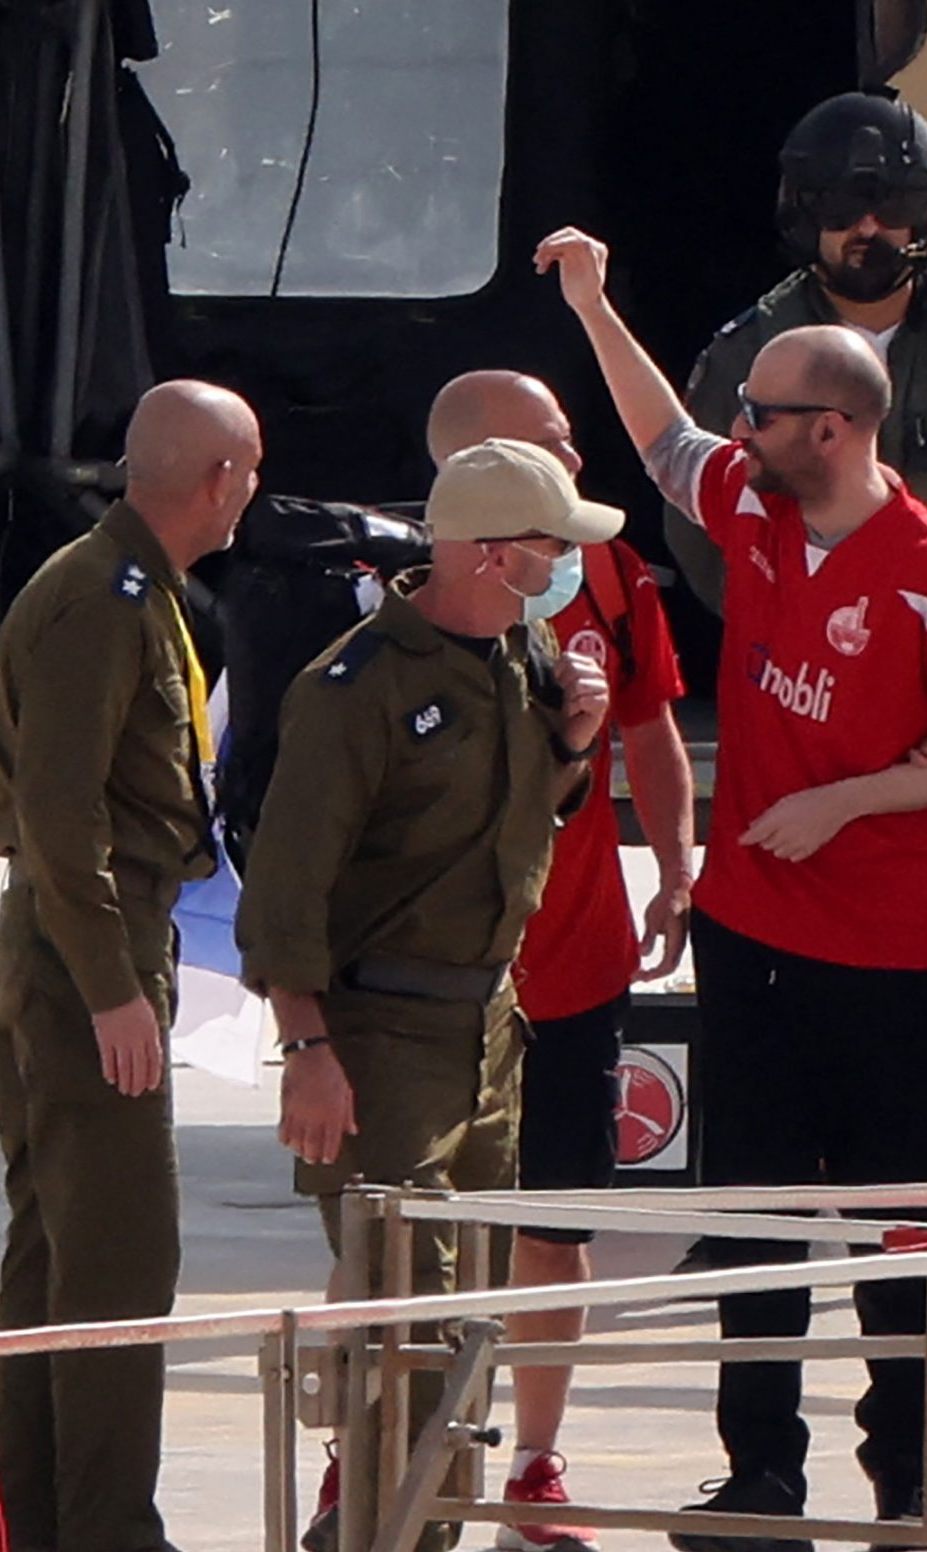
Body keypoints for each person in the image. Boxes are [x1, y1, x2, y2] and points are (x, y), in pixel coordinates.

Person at [535, 225, 927, 1547]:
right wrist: (593, 301)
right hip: (755, 935)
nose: (737, 428)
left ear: (834, 429)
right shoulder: (752, 508)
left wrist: (852, 795)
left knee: (888, 1225)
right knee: (750, 1220)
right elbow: (658, 442)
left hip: (890, 952)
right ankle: (762, 1473)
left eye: (762, 413)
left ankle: (908, 1471)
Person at [668, 88, 927, 1215]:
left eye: (892, 205)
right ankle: (762, 1201)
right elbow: (697, 500)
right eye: (847, 208)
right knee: (776, 955)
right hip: (810, 694)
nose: (871, 230)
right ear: (806, 216)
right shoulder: (759, 347)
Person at [234, 438, 619, 1552]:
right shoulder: (358, 689)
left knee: (464, 1323)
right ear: (493, 554)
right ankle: (376, 1530)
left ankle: (408, 1521)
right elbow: (287, 887)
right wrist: (306, 1043)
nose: (564, 568)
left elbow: (498, 827)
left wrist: (574, 749)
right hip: (380, 1036)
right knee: (410, 1315)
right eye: (549, 548)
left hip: (485, 1028)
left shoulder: (514, 655)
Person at [425, 370, 695, 1552]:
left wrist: (673, 867)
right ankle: (382, 1450)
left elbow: (654, 731)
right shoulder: (406, 603)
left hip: (573, 959)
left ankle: (535, 1464)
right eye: (547, 445)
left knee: (555, 1208)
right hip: (439, 974)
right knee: (420, 1221)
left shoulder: (618, 580)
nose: (574, 457)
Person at [0, 379, 262, 1552]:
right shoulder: (100, 602)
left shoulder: (140, 592)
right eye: (248, 469)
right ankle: (105, 1529)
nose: (251, 491)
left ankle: (49, 1516)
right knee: (114, 1262)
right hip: (82, 957)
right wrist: (111, 986)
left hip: (102, 940)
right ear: (216, 480)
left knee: (58, 1251)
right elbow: (61, 817)